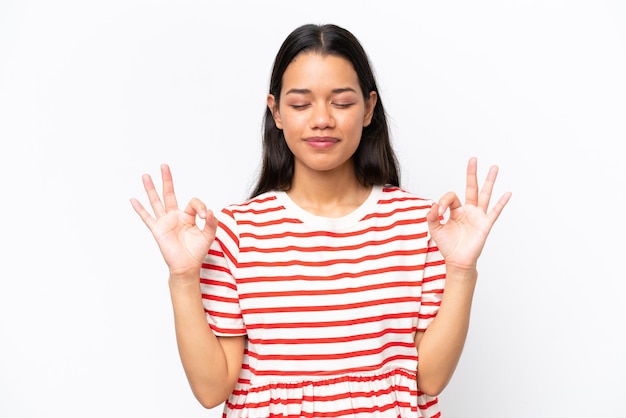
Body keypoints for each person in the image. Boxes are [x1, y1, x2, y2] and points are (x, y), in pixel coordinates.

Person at [130, 23, 511, 418]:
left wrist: (462, 269)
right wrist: (182, 277)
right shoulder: (235, 232)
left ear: (368, 109)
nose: (322, 119)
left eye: (342, 103)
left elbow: (428, 380)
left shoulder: (422, 225)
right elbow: (211, 390)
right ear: (276, 112)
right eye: (300, 104)